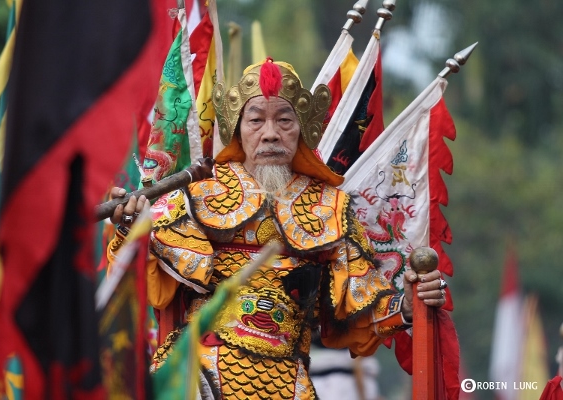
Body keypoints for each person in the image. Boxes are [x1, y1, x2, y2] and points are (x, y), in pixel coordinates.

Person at [107, 58, 446, 399]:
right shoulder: (199, 195)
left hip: (289, 376)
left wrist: (408, 305)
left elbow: (356, 305)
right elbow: (144, 274)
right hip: (203, 365)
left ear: (303, 129)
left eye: (284, 120)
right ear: (238, 128)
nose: (270, 133)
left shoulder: (331, 208)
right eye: (256, 120)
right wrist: (130, 226)